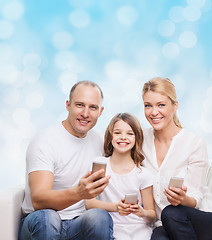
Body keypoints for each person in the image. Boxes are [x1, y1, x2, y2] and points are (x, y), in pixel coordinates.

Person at [19, 81, 114, 240]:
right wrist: (78, 193)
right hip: (40, 223)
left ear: (100, 111)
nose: (85, 113)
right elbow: (39, 200)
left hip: (77, 224)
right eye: (79, 105)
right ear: (68, 105)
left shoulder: (99, 140)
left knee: (99, 217)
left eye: (92, 107)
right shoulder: (45, 141)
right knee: (48, 218)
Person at [141, 77, 212, 240]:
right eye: (148, 105)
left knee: (171, 212)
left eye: (161, 105)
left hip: (203, 218)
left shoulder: (194, 143)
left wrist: (183, 199)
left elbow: (195, 198)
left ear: (175, 106)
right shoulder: (140, 139)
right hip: (164, 223)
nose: (153, 112)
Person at [85, 113, 156, 240]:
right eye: (117, 133)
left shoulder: (143, 174)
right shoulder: (100, 165)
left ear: (136, 138)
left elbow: (151, 214)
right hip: (111, 228)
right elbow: (89, 203)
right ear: (110, 136)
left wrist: (141, 212)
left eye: (130, 133)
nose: (123, 137)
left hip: (139, 229)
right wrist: (116, 208)